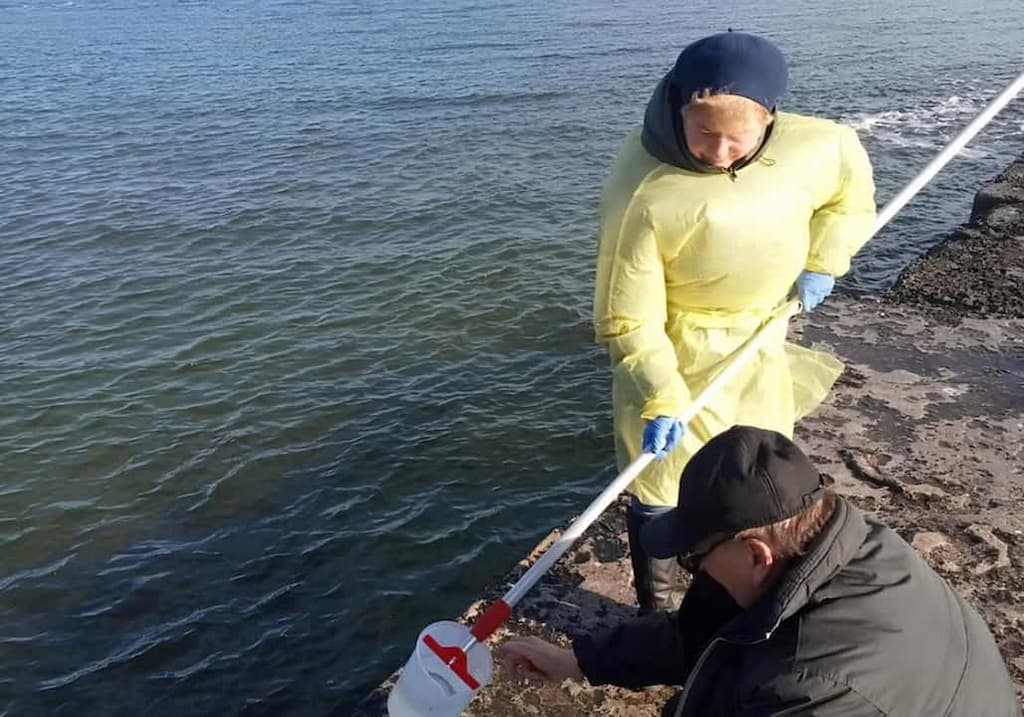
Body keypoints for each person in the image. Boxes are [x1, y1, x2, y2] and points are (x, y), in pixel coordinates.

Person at [593, 30, 878, 613]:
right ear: (677, 110)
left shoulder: (819, 145)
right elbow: (626, 311)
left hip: (760, 339)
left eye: (737, 139)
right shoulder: (644, 191)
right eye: (704, 135)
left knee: (759, 474)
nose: (720, 152)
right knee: (661, 483)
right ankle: (661, 609)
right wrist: (661, 393)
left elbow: (848, 200)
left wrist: (823, 260)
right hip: (676, 351)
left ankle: (753, 592)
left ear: (770, 119)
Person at [498, 426, 1021, 716]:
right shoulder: (837, 548)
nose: (691, 569)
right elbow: (702, 639)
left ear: (755, 553)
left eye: (694, 557)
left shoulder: (810, 690)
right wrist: (579, 662)